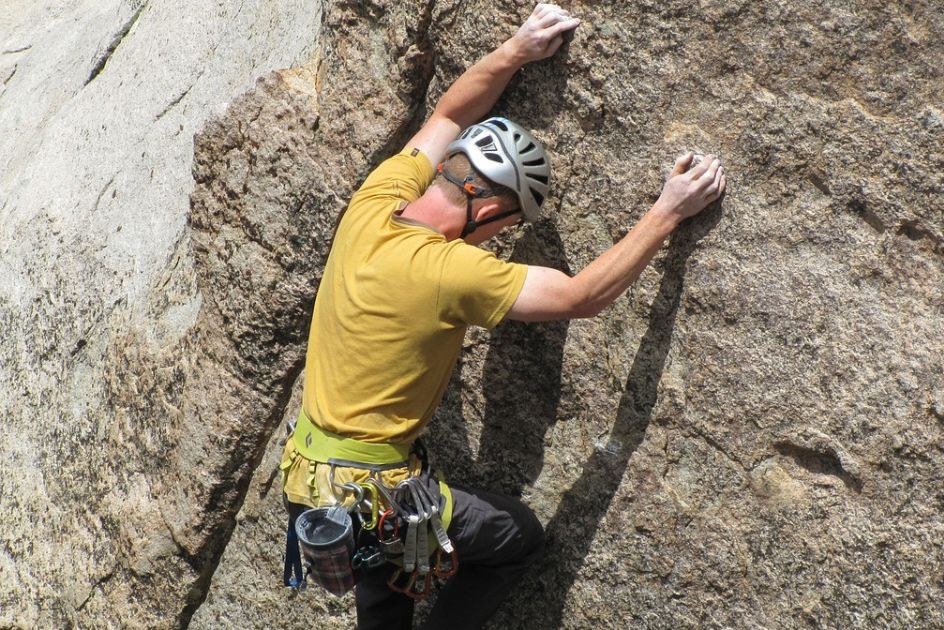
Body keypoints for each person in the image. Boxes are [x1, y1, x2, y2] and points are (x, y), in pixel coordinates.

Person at [278, 4, 727, 629]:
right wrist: (669, 211)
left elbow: (448, 115)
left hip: (309, 487)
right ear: (486, 214)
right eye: (505, 228)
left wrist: (516, 48)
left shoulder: (374, 200)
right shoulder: (449, 271)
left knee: (386, 597)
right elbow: (580, 297)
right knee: (514, 536)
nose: (495, 241)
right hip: (373, 498)